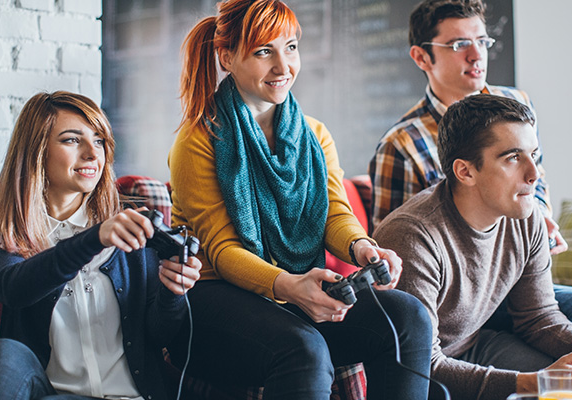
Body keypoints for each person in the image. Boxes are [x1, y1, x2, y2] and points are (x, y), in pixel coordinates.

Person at [368, 0, 572, 388]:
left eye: (482, 40)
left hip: (493, 300)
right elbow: (390, 270)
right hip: (439, 314)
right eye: (458, 44)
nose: (476, 54)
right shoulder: (403, 149)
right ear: (422, 57)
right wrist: (537, 382)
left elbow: (539, 314)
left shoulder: (516, 116)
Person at [166, 1, 433, 399]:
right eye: (263, 52)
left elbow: (334, 215)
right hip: (213, 303)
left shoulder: (316, 135)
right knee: (304, 348)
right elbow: (221, 250)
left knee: (409, 316)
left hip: (293, 290)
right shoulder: (198, 140)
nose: (283, 66)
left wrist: (362, 247)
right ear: (226, 57)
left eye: (290, 47)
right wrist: (289, 286)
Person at [0, 91, 201, 400]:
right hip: (53, 394)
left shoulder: (133, 231)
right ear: (37, 152)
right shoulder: (5, 235)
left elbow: (160, 336)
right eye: (72, 140)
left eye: (99, 140)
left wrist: (173, 293)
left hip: (131, 396)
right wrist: (95, 237)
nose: (92, 153)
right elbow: (14, 289)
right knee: (3, 352)